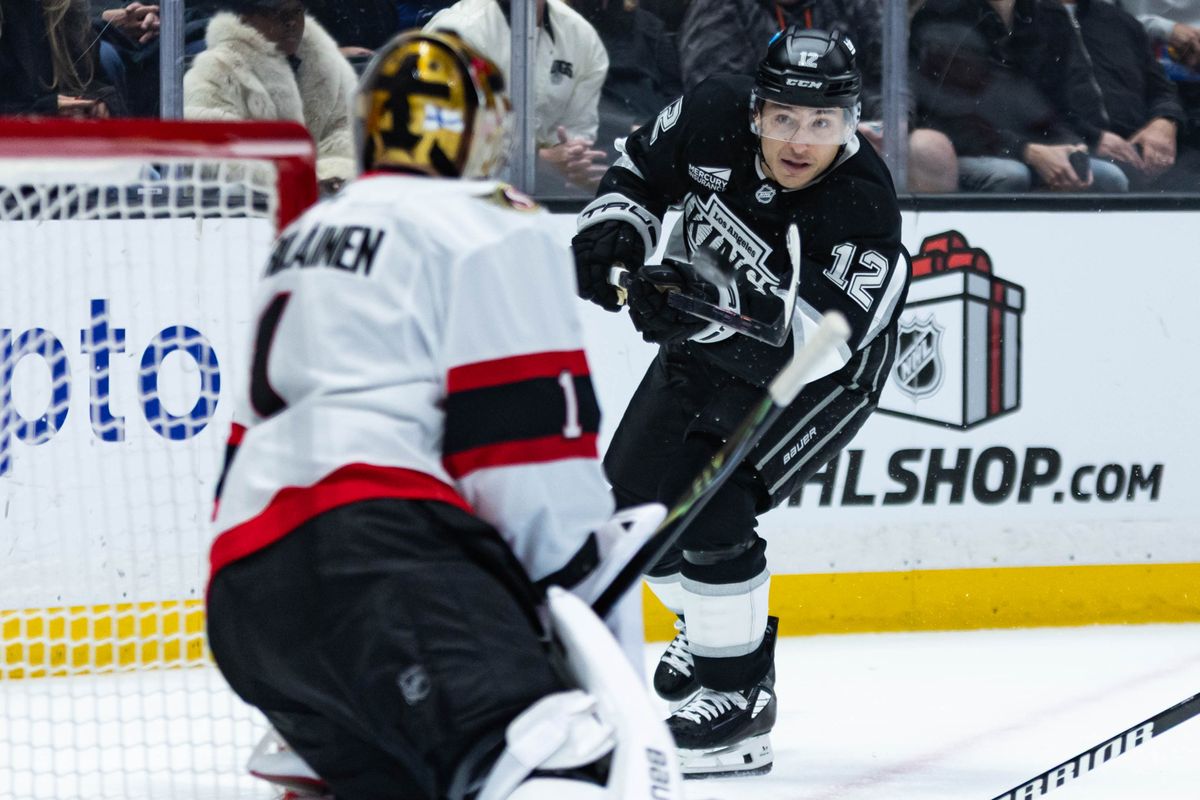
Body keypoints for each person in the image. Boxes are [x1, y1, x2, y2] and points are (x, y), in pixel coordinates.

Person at [207, 28, 679, 800]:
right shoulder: (490, 218)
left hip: (248, 597)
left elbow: (242, 452)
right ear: (480, 128)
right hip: (388, 566)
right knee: (562, 769)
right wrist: (576, 585)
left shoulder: (309, 233)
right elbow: (523, 453)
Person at [571, 26, 909, 776]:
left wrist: (691, 307)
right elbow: (637, 171)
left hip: (818, 374)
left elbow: (807, 345)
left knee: (710, 502)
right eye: (784, 117)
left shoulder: (861, 206)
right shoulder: (709, 113)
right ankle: (712, 621)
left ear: (851, 123)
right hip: (706, 344)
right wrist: (616, 240)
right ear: (755, 110)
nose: (800, 140)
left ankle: (740, 698)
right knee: (635, 508)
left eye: (823, 122)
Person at [675, 0, 960, 193]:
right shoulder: (719, 6)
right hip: (765, 141)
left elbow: (889, 75)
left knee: (931, 152)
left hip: (852, 134)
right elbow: (720, 96)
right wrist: (810, 127)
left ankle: (902, 250)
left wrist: (888, 122)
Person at [910, 0, 1129, 192]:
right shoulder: (940, 14)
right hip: (971, 151)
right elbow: (942, 117)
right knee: (1011, 176)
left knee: (1109, 177)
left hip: (1038, 149)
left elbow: (1062, 107)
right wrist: (1026, 150)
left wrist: (1071, 144)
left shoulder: (1051, 16)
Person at [425, 0, 611, 190]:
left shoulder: (582, 37)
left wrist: (573, 161)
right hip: (458, 195)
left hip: (548, 201)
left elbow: (577, 138)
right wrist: (538, 162)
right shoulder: (459, 31)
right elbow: (437, 139)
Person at [183, 0, 357, 194]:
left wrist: (331, 176)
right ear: (246, 18)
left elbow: (345, 134)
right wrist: (297, 181)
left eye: (297, 11)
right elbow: (216, 151)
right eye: (277, 13)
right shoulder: (214, 70)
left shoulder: (326, 65)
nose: (291, 22)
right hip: (242, 213)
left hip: (322, 208)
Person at [1063, 0, 1200, 190]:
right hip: (1079, 150)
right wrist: (1094, 138)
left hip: (1144, 148)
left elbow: (1162, 89)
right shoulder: (1029, 25)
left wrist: (1165, 121)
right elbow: (1029, 106)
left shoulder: (1119, 21)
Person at [1, 0, 126, 117]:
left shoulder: (67, 9)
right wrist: (46, 110)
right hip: (19, 131)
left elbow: (94, 81)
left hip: (65, 130)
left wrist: (99, 103)